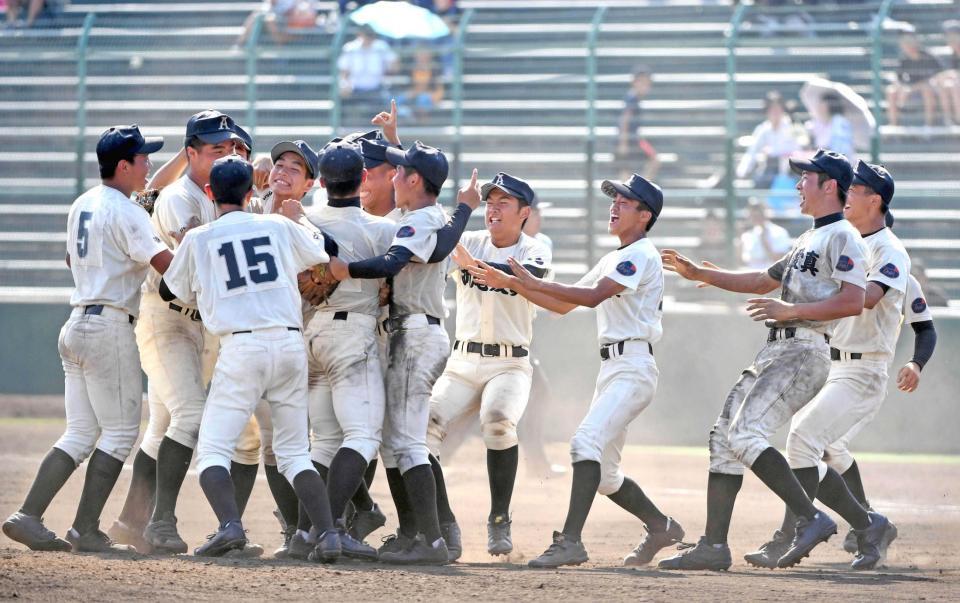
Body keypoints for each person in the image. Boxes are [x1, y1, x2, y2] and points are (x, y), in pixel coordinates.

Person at [659, 149, 869, 571]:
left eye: (805, 177)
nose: (797, 184)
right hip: (778, 348)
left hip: (804, 348)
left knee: (745, 434)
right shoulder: (807, 238)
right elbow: (761, 280)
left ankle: (810, 519)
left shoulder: (843, 235)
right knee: (723, 437)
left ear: (829, 185)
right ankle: (713, 546)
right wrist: (702, 275)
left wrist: (790, 311)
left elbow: (854, 300)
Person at [470, 174, 684, 569]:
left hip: (633, 366)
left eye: (625, 201)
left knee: (583, 444)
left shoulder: (639, 253)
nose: (614, 205)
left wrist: (522, 281)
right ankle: (660, 526)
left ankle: (570, 541)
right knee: (604, 475)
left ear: (645, 215)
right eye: (615, 199)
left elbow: (588, 298)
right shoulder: (617, 255)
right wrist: (513, 284)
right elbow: (562, 305)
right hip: (616, 367)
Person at [157, 156, 341, 561]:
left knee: (212, 451)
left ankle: (230, 526)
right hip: (290, 342)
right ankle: (327, 534)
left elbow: (170, 293)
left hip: (241, 347)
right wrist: (297, 218)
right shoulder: (276, 224)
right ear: (249, 193)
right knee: (293, 453)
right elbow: (321, 253)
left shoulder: (199, 237)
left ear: (210, 192)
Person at [743, 162, 924, 571]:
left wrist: (794, 310)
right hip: (834, 364)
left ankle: (841, 527)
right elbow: (768, 279)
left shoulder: (887, 249)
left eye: (856, 189)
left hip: (863, 369)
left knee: (803, 440)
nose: (848, 194)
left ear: (874, 199)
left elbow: (864, 299)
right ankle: (865, 524)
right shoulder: (843, 240)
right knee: (821, 447)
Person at [2, 125, 172, 552]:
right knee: (118, 433)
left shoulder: (83, 202)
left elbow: (69, 257)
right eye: (142, 158)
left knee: (80, 432)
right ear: (123, 165)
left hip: (77, 320)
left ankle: (27, 516)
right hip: (108, 325)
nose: (147, 164)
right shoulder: (127, 210)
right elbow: (166, 263)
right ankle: (85, 528)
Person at [327, 142, 479, 564]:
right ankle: (417, 534)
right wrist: (464, 209)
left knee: (409, 444)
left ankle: (431, 540)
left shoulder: (422, 220)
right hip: (408, 332)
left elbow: (393, 262)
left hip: (416, 333)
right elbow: (444, 238)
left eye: (398, 172)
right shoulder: (425, 217)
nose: (391, 177)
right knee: (397, 445)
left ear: (414, 180)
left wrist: (347, 269)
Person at [426, 172, 552, 558]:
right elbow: (433, 234)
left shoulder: (535, 248)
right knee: (421, 430)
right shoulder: (468, 240)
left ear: (524, 213)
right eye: (490, 202)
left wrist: (469, 262)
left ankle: (499, 519)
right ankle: (443, 521)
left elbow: (522, 280)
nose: (493, 210)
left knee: (497, 422)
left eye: (504, 203)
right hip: (463, 361)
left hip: (509, 363)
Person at [134, 110, 243, 555]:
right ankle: (161, 522)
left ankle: (131, 520)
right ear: (192, 153)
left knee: (162, 425)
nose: (227, 154)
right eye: (217, 148)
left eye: (232, 148)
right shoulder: (181, 197)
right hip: (167, 318)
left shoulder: (216, 196)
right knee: (191, 416)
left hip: (198, 326)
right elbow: (186, 268)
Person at [293, 141, 396, 561]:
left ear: (319, 182)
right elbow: (392, 287)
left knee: (324, 442)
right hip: (353, 333)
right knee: (362, 435)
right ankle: (330, 530)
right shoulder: (380, 229)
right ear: (364, 179)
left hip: (312, 330)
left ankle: (303, 535)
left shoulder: (304, 220)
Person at [736, 91, 804, 189]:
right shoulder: (763, 129)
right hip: (770, 173)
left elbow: (799, 150)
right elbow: (752, 152)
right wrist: (742, 172)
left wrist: (773, 152)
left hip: (791, 173)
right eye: (772, 109)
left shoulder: (793, 126)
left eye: (778, 108)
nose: (775, 112)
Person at [338, 25, 398, 125]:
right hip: (355, 89)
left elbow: (394, 64)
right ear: (359, 35)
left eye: (370, 36)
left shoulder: (381, 47)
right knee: (342, 97)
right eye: (366, 35)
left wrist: (388, 72)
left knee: (388, 102)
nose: (368, 39)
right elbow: (344, 70)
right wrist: (344, 84)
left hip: (377, 88)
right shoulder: (350, 48)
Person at [885, 30, 944, 128]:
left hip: (930, 91)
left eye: (909, 42)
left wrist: (911, 88)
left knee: (927, 89)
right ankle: (893, 125)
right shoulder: (904, 60)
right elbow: (898, 78)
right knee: (891, 91)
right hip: (911, 91)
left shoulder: (928, 57)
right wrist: (902, 88)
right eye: (904, 43)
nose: (907, 46)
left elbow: (938, 76)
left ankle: (928, 126)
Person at [616, 65, 659, 181]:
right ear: (634, 82)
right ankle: (639, 190)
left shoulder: (634, 98)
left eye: (647, 83)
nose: (646, 87)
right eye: (642, 83)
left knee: (626, 170)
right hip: (629, 141)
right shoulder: (632, 98)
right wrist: (623, 143)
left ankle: (635, 191)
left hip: (632, 139)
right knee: (653, 160)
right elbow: (624, 120)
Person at [738, 199, 792, 270]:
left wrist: (765, 242)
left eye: (758, 211)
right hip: (750, 276)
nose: (756, 214)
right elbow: (743, 261)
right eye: (753, 211)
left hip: (770, 276)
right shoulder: (746, 235)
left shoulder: (779, 232)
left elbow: (781, 262)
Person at [397, 48, 445, 123]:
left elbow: (437, 89)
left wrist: (418, 93)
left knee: (422, 98)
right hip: (415, 94)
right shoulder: (412, 68)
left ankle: (422, 122)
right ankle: (407, 117)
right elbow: (408, 86)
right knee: (399, 98)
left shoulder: (435, 69)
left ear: (429, 56)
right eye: (419, 54)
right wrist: (410, 93)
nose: (421, 57)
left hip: (430, 95)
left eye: (424, 54)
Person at [805, 92, 855, 162]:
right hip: (822, 162)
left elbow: (840, 150)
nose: (819, 107)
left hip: (838, 164)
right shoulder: (818, 123)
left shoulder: (840, 122)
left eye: (822, 104)